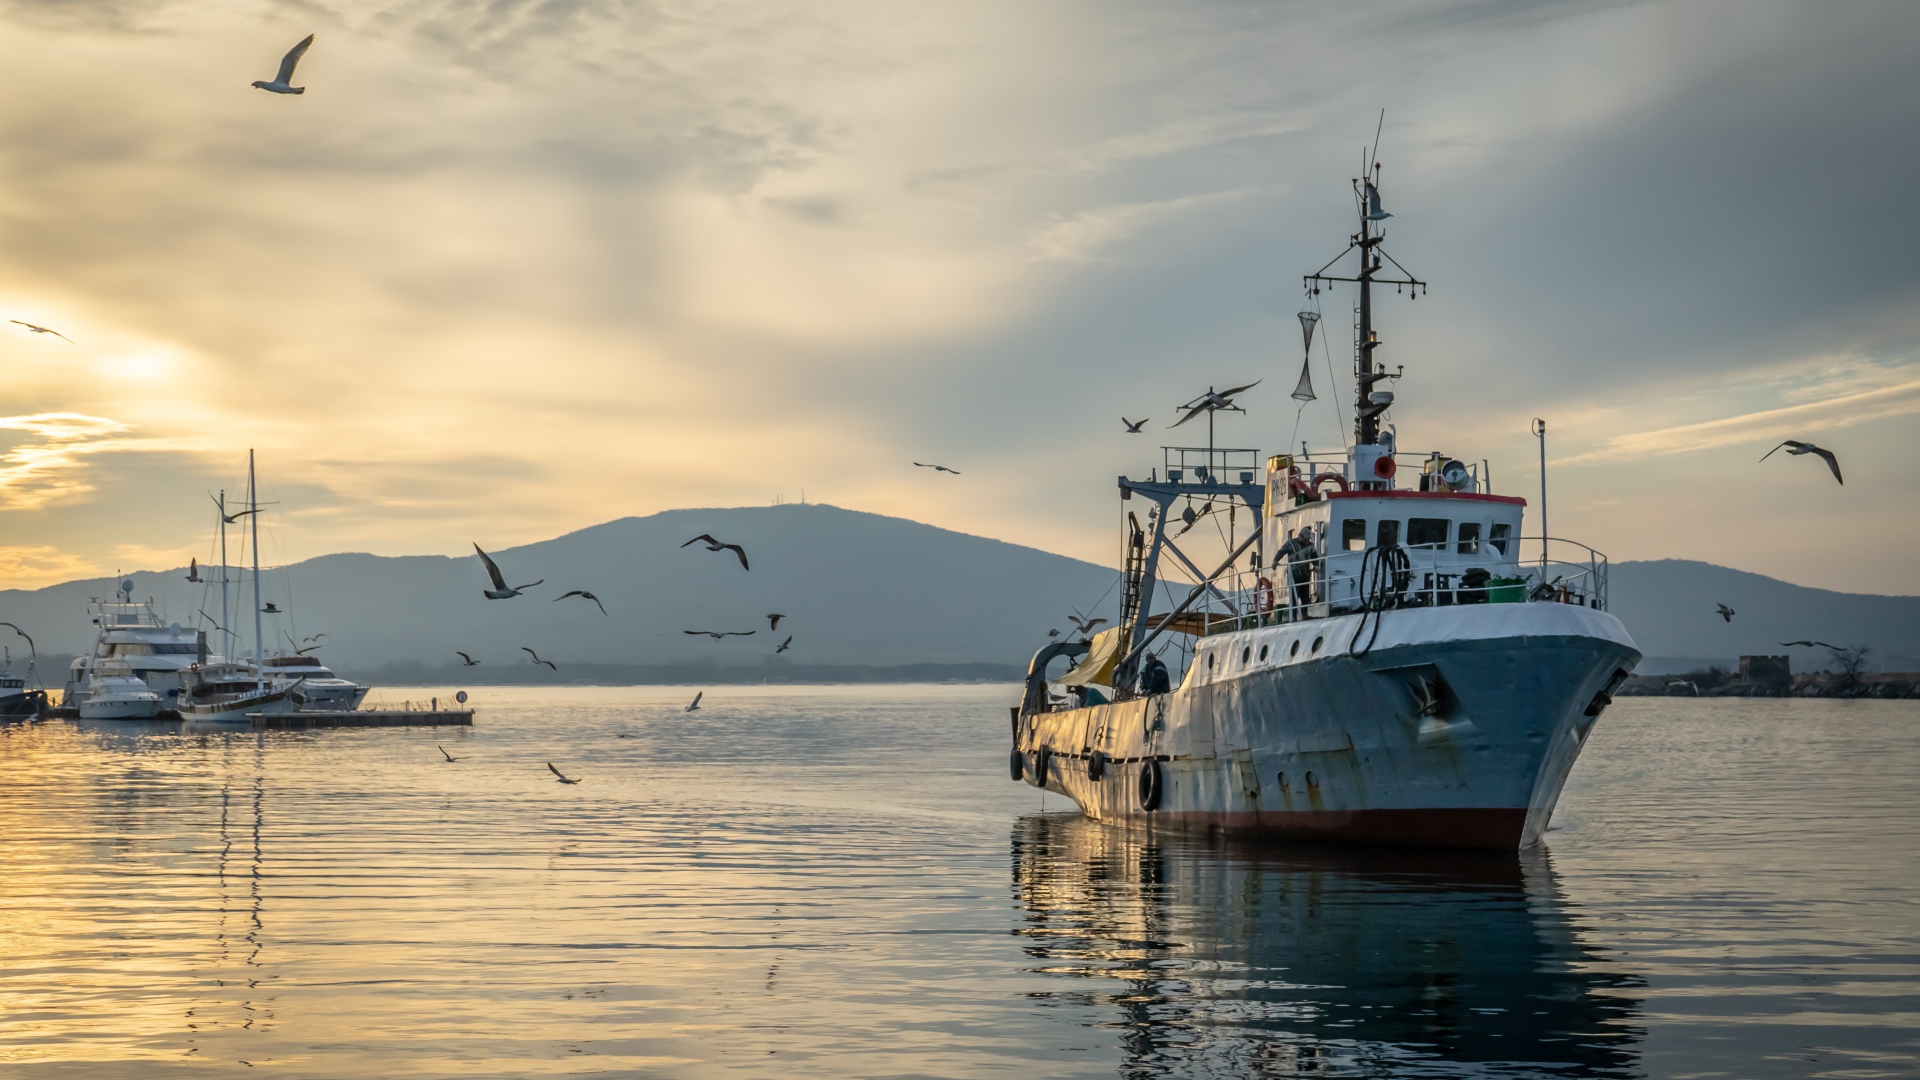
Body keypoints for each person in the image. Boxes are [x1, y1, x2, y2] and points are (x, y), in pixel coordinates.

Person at [1275, 526, 1317, 610]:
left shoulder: (1310, 546)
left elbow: (1314, 557)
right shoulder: (1290, 544)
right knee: (1294, 597)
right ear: (1300, 536)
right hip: (1294, 575)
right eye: (1305, 539)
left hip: (1305, 575)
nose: (1307, 541)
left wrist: (1317, 566)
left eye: (1308, 539)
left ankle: (1304, 615)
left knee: (1305, 597)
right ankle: (1293, 616)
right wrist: (1275, 561)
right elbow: (1281, 552)